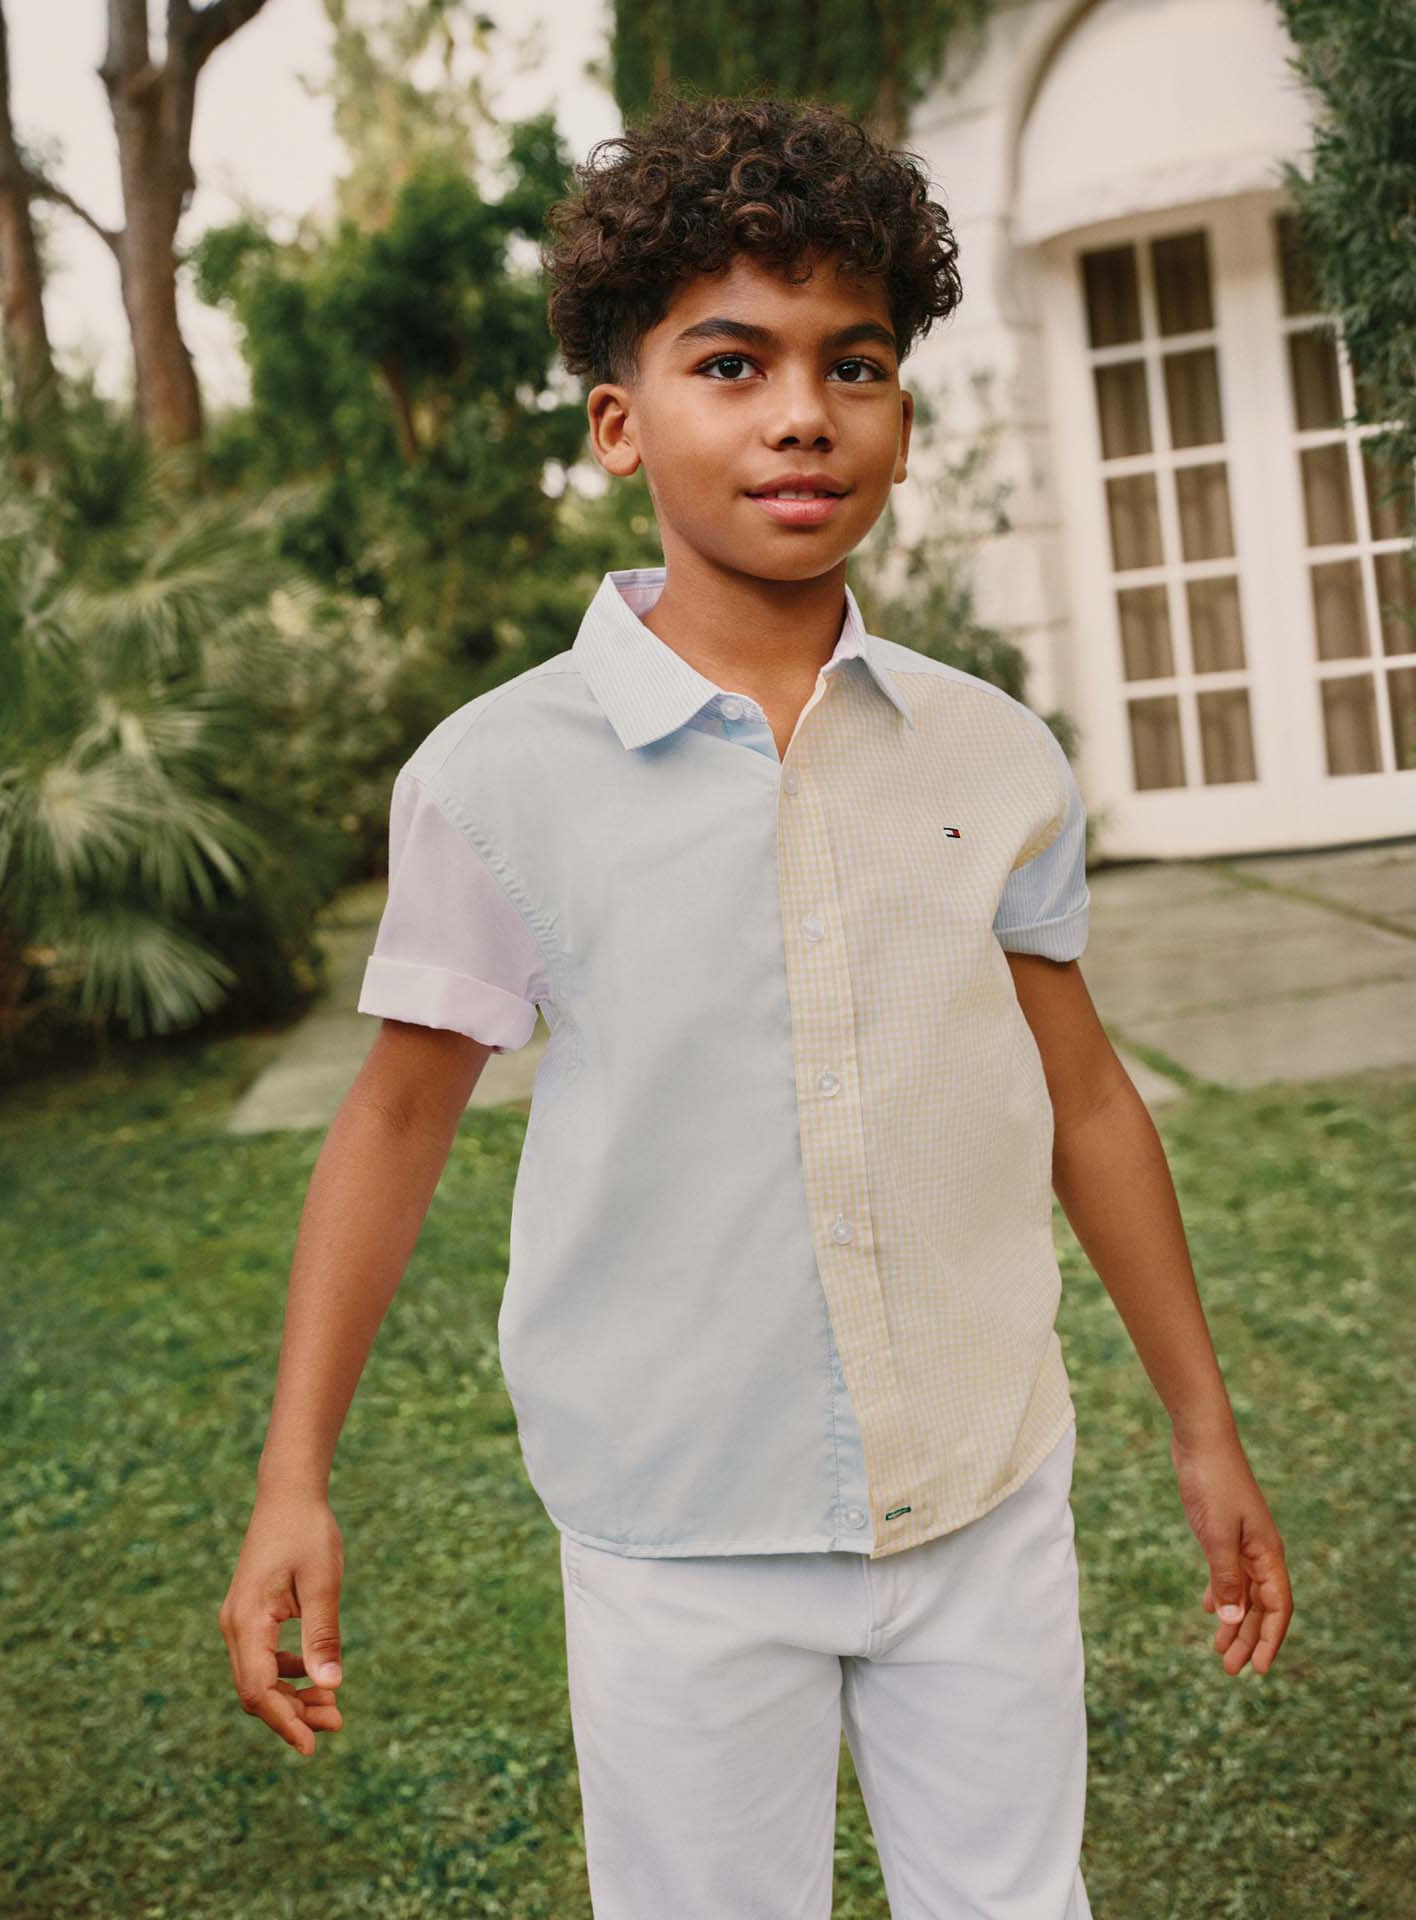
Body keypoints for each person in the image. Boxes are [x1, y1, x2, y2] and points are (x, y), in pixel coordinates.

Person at [219, 89, 1294, 1919]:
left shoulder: (992, 750)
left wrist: (1201, 1424)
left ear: (896, 403)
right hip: (677, 1533)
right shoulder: (498, 778)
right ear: (621, 424)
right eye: (735, 360)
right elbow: (397, 1119)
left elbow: (1089, 1101)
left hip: (983, 1491)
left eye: (852, 361)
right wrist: (292, 1479)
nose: (803, 410)